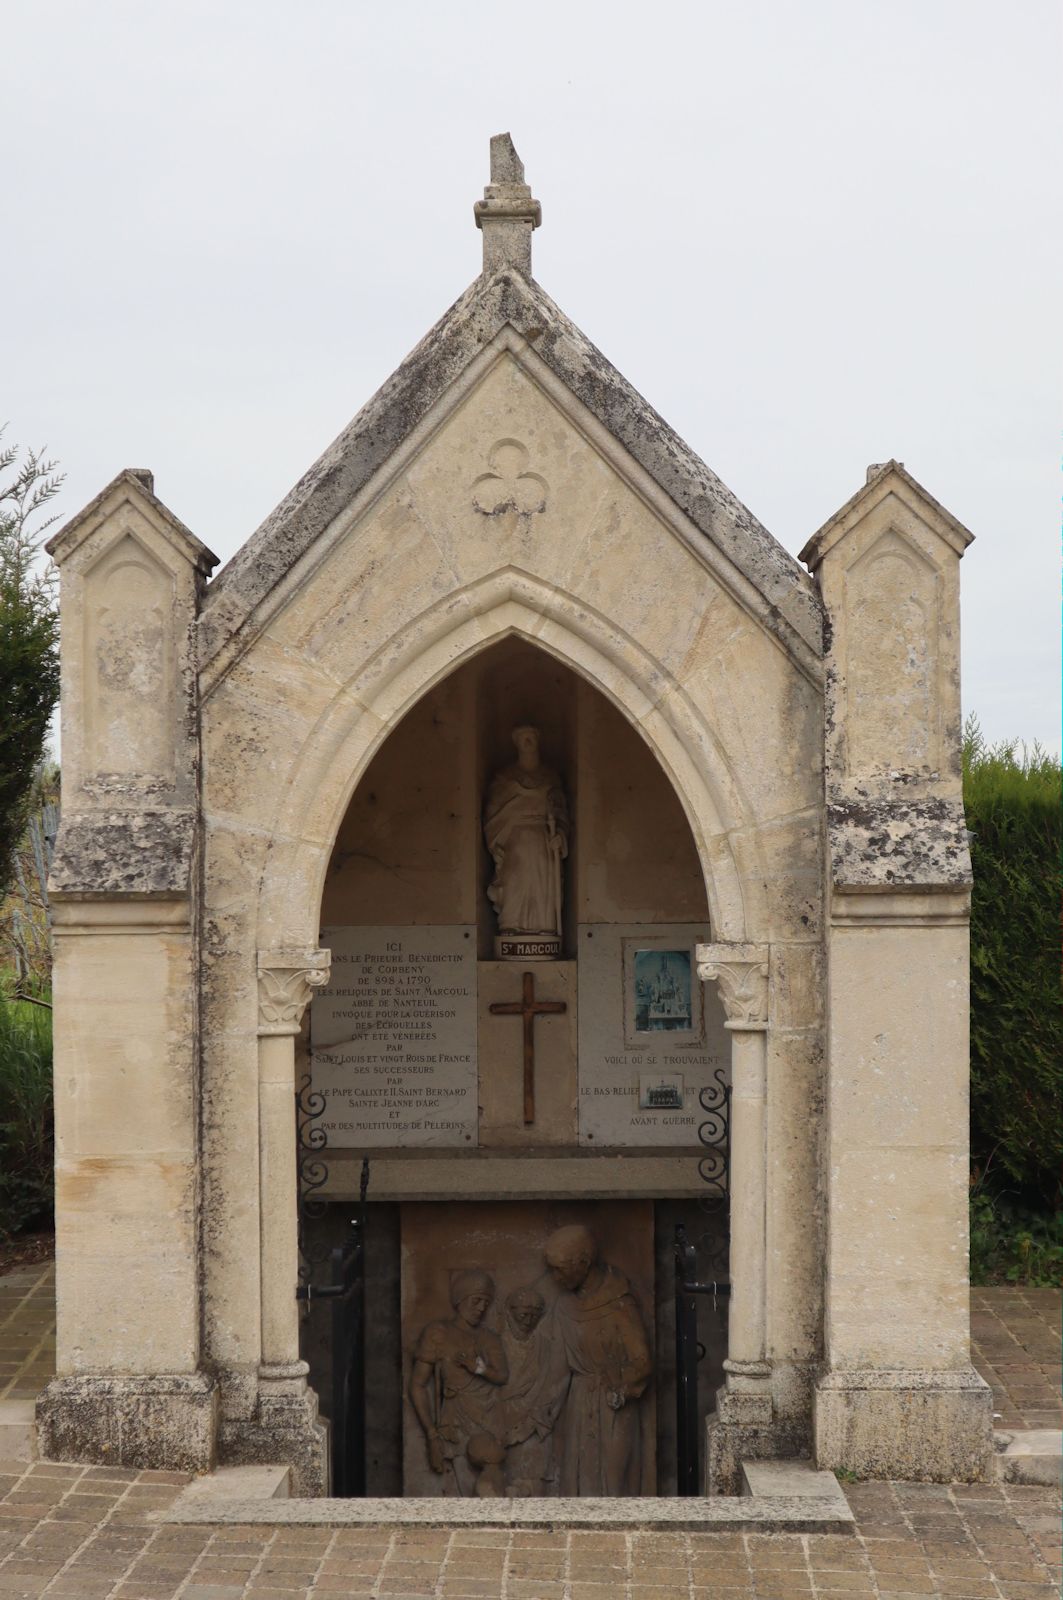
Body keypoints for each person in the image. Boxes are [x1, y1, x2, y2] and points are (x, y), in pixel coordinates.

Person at [543, 1225, 652, 1497]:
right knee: (577, 1478)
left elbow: (642, 1361)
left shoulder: (618, 1301)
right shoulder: (564, 1307)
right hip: (579, 1403)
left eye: (560, 1268)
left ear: (583, 1262)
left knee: (613, 1483)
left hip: (613, 1403)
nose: (554, 1277)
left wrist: (621, 1389)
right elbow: (556, 1373)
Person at [408, 1268, 508, 1496]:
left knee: (490, 1488)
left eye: (486, 1302)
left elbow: (502, 1376)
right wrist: (431, 1436)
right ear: (460, 1300)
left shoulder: (489, 1338)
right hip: (454, 1421)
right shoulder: (438, 1333)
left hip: (489, 1418)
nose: (482, 1308)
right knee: (459, 1491)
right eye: (476, 1301)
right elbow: (417, 1385)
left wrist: (479, 1368)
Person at [484, 726, 568, 937]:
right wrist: (497, 844)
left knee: (542, 882)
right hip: (515, 838)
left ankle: (545, 928)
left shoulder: (550, 777)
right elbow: (494, 814)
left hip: (542, 837)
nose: (527, 741)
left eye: (531, 737)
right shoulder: (505, 778)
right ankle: (510, 925)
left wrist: (561, 835)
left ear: (538, 741)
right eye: (523, 738)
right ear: (516, 744)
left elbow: (561, 812)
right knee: (514, 881)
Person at [497, 1285, 569, 1495]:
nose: (528, 1319)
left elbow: (556, 1383)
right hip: (502, 1421)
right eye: (523, 1314)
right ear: (510, 1311)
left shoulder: (546, 1347)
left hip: (537, 1425)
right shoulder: (496, 1344)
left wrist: (541, 1414)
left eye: (534, 1314)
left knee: (535, 1481)